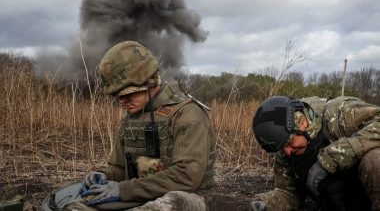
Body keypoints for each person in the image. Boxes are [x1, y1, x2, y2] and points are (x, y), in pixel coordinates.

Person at [64, 41, 215, 211]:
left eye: (127, 94)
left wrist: (124, 190)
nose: (122, 101)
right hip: (138, 195)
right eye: (116, 95)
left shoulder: (187, 114)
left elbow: (187, 177)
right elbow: (120, 169)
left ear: (150, 81)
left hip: (186, 196)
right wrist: (104, 176)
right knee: (74, 206)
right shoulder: (130, 120)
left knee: (169, 203)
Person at [250, 96, 380, 211]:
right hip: (343, 204)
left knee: (375, 160)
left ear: (302, 123)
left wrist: (336, 155)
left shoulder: (338, 113)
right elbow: (289, 192)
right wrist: (266, 204)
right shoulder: (285, 153)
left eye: (289, 143)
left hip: (370, 190)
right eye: (281, 148)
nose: (287, 151)